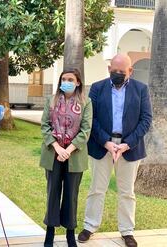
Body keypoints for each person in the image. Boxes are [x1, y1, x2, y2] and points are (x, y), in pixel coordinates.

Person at [78, 54, 152, 247]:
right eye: (114, 71)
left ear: (130, 71)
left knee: (127, 192)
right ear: (109, 69)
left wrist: (126, 144)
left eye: (122, 71)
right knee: (96, 189)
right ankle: (89, 226)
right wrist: (106, 143)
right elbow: (91, 118)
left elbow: (146, 120)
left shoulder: (141, 89)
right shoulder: (97, 87)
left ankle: (127, 231)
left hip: (129, 148)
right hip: (102, 146)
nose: (117, 74)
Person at [40, 68, 92, 247]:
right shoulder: (51, 100)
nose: (66, 82)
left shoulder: (86, 102)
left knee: (71, 195)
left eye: (71, 79)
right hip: (52, 154)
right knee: (52, 193)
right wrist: (56, 147)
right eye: (64, 79)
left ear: (78, 82)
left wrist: (68, 151)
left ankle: (71, 234)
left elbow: (85, 130)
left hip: (74, 156)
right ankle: (50, 234)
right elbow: (44, 126)